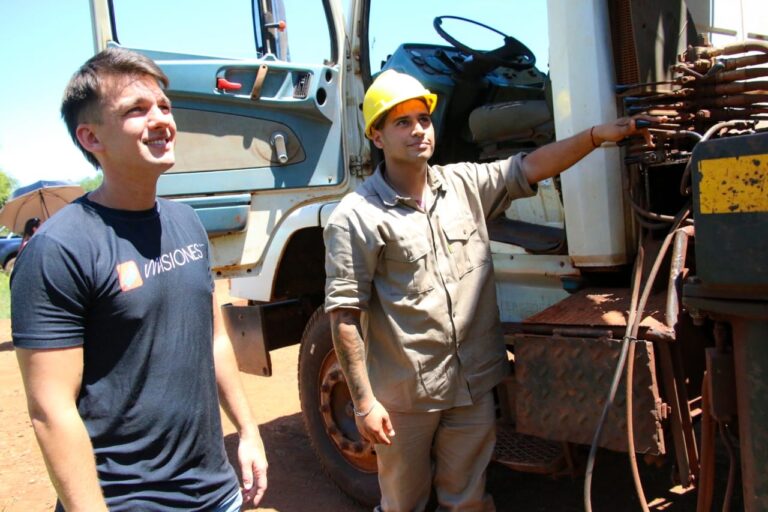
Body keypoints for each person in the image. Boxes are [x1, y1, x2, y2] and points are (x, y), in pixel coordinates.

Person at [324, 69, 661, 511]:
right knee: (403, 503)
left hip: (473, 384)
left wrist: (597, 136)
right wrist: (365, 403)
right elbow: (344, 317)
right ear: (376, 135)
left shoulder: (463, 186)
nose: (418, 130)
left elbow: (530, 165)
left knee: (468, 500)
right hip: (406, 396)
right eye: (402, 122)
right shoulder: (356, 216)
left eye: (423, 119)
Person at [11, 47, 267, 511]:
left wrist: (248, 431)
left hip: (216, 492)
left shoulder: (187, 222)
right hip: (127, 500)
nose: (161, 120)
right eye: (137, 110)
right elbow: (51, 410)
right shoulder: (59, 249)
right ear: (91, 137)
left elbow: (214, 339)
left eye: (164, 107)